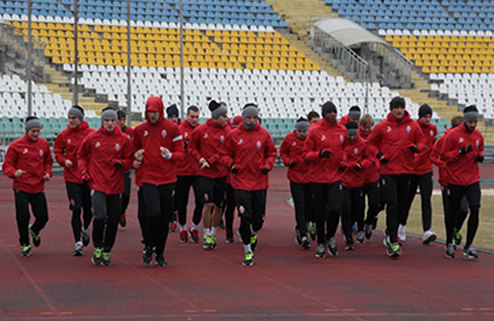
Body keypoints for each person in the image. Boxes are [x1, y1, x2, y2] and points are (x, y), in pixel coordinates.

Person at [366, 96, 426, 258]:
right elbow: (369, 144)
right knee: (392, 205)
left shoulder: (412, 126)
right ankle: (393, 241)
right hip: (389, 172)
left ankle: (390, 231)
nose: (399, 110)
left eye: (401, 107)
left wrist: (416, 148)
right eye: (396, 108)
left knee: (401, 207)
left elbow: (422, 142)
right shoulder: (382, 126)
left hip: (407, 171)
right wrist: (379, 155)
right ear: (391, 109)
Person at [220, 103, 277, 266]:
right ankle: (247, 251)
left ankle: (253, 232)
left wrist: (267, 165)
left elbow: (272, 153)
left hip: (259, 182)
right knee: (245, 217)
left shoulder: (264, 134)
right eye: (248, 118)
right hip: (241, 183)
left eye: (254, 118)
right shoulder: (234, 135)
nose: (251, 121)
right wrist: (232, 165)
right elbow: (224, 154)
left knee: (258, 220)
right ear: (244, 118)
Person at [132, 97, 185, 267]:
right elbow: (133, 150)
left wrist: (171, 156)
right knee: (152, 213)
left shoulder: (172, 128)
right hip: (148, 178)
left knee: (165, 218)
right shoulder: (140, 129)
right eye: (149, 112)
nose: (152, 115)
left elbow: (181, 153)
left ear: (160, 111)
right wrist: (136, 157)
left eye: (155, 112)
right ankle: (149, 244)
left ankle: (160, 252)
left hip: (168, 178)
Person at [77, 107, 132, 266]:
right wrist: (84, 172)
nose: (109, 123)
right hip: (98, 184)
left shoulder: (123, 139)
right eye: (107, 121)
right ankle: (98, 247)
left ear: (117, 122)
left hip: (116, 186)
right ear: (102, 121)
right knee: (100, 216)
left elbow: (129, 161)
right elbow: (81, 156)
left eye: (112, 121)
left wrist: (121, 164)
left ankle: (107, 249)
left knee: (113, 220)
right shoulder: (92, 138)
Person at [3, 116, 53, 257]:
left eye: (38, 131)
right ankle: (24, 243)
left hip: (38, 186)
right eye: (33, 131)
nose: (36, 134)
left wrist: (47, 173)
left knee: (43, 217)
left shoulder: (43, 145)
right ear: (27, 130)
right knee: (23, 216)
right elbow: (7, 165)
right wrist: (14, 172)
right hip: (21, 186)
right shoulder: (16, 145)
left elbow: (48, 162)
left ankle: (35, 230)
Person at [303, 101, 347, 258]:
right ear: (324, 114)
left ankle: (330, 236)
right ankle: (321, 242)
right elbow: (306, 154)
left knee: (335, 209)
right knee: (320, 212)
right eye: (329, 112)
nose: (333, 114)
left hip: (335, 176)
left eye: (334, 111)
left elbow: (344, 150)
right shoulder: (314, 130)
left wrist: (343, 162)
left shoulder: (342, 130)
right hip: (318, 177)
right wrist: (319, 154)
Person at [439, 105, 484, 260]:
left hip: (472, 179)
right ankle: (449, 242)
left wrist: (479, 156)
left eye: (475, 122)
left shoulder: (478, 135)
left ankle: (468, 245)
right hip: (455, 179)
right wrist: (460, 152)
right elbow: (444, 156)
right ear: (465, 120)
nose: (473, 125)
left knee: (475, 208)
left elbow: (480, 149)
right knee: (452, 212)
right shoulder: (453, 135)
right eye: (470, 121)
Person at [54, 105, 95, 256]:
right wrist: (64, 161)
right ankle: (77, 242)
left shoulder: (91, 134)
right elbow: (58, 151)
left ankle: (85, 228)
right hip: (71, 177)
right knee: (76, 208)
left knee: (88, 209)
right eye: (69, 118)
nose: (71, 121)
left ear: (81, 118)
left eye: (74, 118)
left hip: (88, 177)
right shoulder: (64, 134)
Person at [189, 100, 230, 249]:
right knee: (208, 204)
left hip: (221, 173)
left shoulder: (228, 131)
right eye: (224, 116)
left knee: (219, 206)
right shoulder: (201, 130)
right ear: (216, 116)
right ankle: (207, 235)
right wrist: (200, 158)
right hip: (205, 174)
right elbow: (192, 147)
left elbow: (224, 152)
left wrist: (210, 160)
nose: (226, 119)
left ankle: (213, 233)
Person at [400, 104, 438, 244]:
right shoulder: (413, 128)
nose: (427, 119)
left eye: (429, 117)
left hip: (426, 169)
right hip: (412, 170)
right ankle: (402, 226)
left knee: (426, 200)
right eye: (425, 117)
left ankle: (427, 230)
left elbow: (432, 146)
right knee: (407, 200)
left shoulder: (433, 130)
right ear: (420, 116)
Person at [430, 115, 469, 250]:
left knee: (464, 209)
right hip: (448, 180)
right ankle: (449, 241)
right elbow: (433, 156)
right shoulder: (444, 139)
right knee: (449, 212)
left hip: (463, 180)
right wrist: (444, 165)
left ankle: (456, 229)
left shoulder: (466, 138)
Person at [340, 121, 375, 250]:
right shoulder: (342, 142)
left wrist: (361, 165)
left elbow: (369, 159)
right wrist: (344, 165)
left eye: (354, 135)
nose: (352, 137)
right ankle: (348, 238)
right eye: (350, 135)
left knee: (358, 208)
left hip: (358, 181)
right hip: (344, 181)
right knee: (346, 209)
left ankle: (358, 226)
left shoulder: (362, 144)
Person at [279, 117, 311, 250]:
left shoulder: (311, 138)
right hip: (295, 177)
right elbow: (283, 152)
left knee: (309, 205)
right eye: (300, 130)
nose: (302, 133)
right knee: (300, 204)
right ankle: (302, 233)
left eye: (304, 130)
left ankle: (304, 225)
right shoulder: (289, 139)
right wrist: (288, 161)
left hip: (310, 176)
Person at [176, 105, 203, 243]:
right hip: (182, 171)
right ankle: (182, 228)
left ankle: (194, 226)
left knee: (201, 200)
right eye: (192, 116)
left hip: (197, 171)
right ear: (187, 115)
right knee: (182, 202)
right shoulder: (179, 130)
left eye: (197, 117)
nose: (194, 119)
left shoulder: (201, 130)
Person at [359, 114, 381, 239]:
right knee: (360, 206)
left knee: (374, 204)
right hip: (360, 177)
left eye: (369, 127)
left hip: (373, 176)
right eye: (364, 127)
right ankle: (361, 227)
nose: (366, 130)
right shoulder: (356, 137)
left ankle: (369, 222)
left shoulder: (375, 138)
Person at [222, 115, 244, 243]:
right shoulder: (230, 137)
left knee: (238, 207)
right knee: (230, 206)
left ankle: (237, 230)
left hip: (241, 179)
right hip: (231, 178)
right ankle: (229, 231)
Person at [116, 109, 135, 228]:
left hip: (126, 167)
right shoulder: (113, 133)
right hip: (114, 168)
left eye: (123, 120)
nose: (122, 122)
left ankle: (122, 211)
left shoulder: (130, 132)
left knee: (126, 194)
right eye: (120, 120)